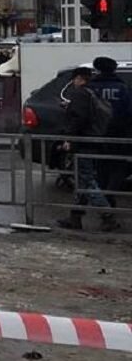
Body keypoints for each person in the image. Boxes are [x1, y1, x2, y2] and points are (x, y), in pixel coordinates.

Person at [57, 67, 117, 231]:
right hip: (92, 141)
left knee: (87, 181)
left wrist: (69, 137)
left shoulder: (80, 94)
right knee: (83, 181)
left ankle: (108, 216)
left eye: (74, 79)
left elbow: (79, 118)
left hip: (83, 142)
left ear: (79, 79)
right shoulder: (92, 93)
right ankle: (75, 217)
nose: (73, 82)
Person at [90, 56, 132, 212]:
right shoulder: (122, 88)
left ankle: (103, 199)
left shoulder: (90, 88)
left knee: (100, 168)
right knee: (119, 167)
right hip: (119, 134)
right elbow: (129, 111)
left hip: (95, 135)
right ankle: (108, 197)